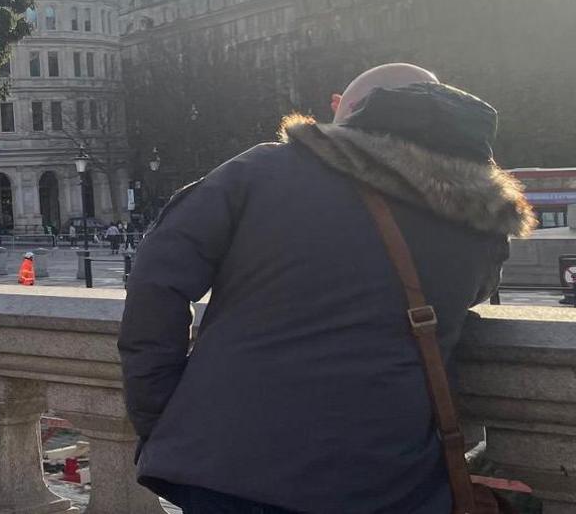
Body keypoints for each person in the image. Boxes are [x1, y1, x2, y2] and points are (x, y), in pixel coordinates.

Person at [119, 63, 533, 514]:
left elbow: (157, 278)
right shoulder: (479, 216)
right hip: (387, 478)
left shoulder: (263, 171)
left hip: (229, 463)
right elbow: (473, 293)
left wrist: (157, 412)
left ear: (349, 111)